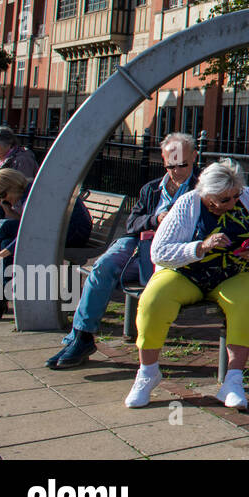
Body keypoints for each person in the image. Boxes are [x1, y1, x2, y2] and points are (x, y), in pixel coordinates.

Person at [125, 158, 249, 410]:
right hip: (187, 272)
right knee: (153, 300)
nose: (232, 202)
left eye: (235, 195)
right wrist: (200, 247)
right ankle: (147, 373)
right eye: (224, 200)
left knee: (247, 300)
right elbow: (159, 252)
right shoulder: (187, 204)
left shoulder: (247, 197)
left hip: (235, 272)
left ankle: (233, 381)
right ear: (208, 195)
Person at [46, 132, 199, 370]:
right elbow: (132, 224)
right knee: (103, 267)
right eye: (171, 165)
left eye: (183, 165)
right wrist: (156, 218)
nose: (177, 171)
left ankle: (79, 338)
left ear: (195, 157)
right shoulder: (152, 189)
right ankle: (82, 337)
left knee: (117, 274)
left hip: (170, 252)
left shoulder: (201, 190)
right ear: (162, 160)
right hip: (138, 243)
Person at [0, 169, 91, 321]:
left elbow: (26, 236)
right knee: (6, 229)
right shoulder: (31, 190)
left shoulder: (32, 199)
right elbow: (28, 228)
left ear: (11, 187)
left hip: (72, 234)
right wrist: (7, 208)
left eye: (3, 196)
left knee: (6, 244)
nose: (5, 201)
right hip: (63, 230)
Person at [0, 126, 38, 210]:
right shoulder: (4, 161)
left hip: (11, 217)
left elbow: (21, 192)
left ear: (8, 142)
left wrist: (11, 214)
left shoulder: (22, 160)